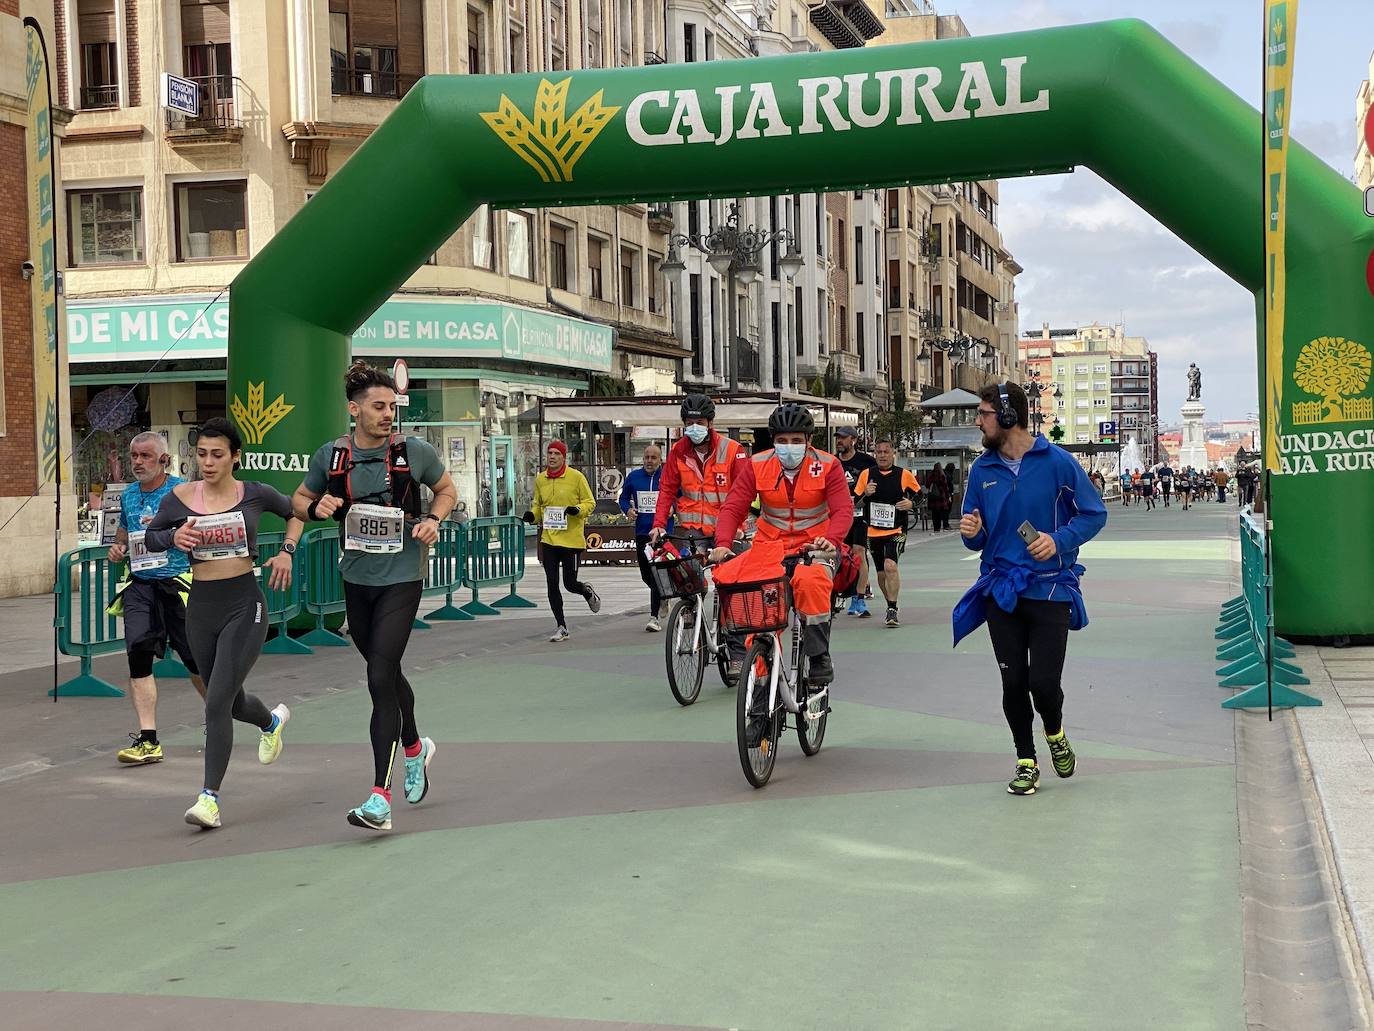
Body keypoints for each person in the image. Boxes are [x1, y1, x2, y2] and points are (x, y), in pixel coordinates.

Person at [293, 360, 458, 833]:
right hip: (356, 580)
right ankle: (414, 749)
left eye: (392, 406)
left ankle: (378, 799)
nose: (388, 414)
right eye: (379, 406)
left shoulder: (413, 450)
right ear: (354, 409)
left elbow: (445, 490)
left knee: (379, 674)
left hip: (403, 577)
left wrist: (434, 519)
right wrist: (316, 505)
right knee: (384, 672)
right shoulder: (332, 457)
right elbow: (299, 501)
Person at [143, 418, 303, 829]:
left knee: (215, 701)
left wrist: (286, 551)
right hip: (201, 607)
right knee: (229, 701)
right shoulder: (178, 497)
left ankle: (208, 799)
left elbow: (297, 513)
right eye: (201, 454)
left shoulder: (255, 494)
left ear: (235, 457)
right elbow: (153, 538)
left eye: (217, 455)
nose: (208, 463)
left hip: (244, 604)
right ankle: (271, 722)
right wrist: (174, 538)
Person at [952, 383, 1108, 797]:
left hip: (1050, 589)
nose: (978, 422)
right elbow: (976, 538)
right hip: (1000, 590)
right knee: (1012, 683)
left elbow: (1094, 514)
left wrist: (1059, 540)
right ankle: (1026, 760)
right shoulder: (982, 470)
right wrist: (972, 533)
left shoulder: (1058, 462)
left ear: (1007, 416)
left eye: (983, 414)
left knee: (1043, 683)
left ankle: (1055, 732)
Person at [711, 403, 853, 708]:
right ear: (773, 440)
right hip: (769, 548)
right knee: (758, 613)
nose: (789, 447)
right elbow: (734, 507)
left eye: (796, 440)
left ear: (809, 441)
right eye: (783, 441)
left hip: (814, 546)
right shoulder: (756, 464)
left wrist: (831, 540)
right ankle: (760, 697)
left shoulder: (828, 465)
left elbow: (843, 510)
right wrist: (723, 542)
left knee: (812, 581)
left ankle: (818, 656)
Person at [106, 432, 206, 765]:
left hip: (176, 584)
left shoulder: (180, 491)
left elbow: (201, 530)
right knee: (137, 653)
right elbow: (125, 528)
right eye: (134, 456)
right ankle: (148, 740)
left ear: (163, 459)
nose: (137, 462)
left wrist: (175, 537)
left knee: (193, 659)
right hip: (140, 585)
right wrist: (119, 547)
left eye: (145, 456)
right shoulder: (129, 495)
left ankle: (218, 714)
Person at [650, 394, 749, 668]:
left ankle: (738, 653)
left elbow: (744, 493)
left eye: (700, 422)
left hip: (727, 532)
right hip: (690, 531)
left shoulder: (732, 450)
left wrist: (738, 528)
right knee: (685, 575)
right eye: (689, 422)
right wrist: (659, 525)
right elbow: (667, 489)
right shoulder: (677, 451)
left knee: (732, 589)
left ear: (710, 423)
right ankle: (690, 609)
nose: (695, 427)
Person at [525, 440, 599, 643]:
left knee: (569, 583)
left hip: (572, 540)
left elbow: (590, 502)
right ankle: (561, 626)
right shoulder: (541, 479)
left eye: (556, 453)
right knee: (551, 583)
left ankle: (585, 590)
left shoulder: (576, 477)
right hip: (549, 539)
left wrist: (578, 510)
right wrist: (532, 516)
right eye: (549, 453)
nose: (552, 456)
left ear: (563, 457)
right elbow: (538, 506)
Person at [853, 440, 922, 627]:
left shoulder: (904, 475)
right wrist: (865, 494)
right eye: (879, 452)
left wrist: (912, 504)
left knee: (890, 565)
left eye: (886, 451)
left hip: (896, 530)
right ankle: (890, 604)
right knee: (882, 573)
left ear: (893, 454)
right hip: (873, 531)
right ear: (875, 454)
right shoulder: (866, 475)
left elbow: (921, 496)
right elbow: (854, 503)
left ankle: (892, 608)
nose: (882, 455)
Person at [619, 444, 669, 631]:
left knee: (656, 573)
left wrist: (673, 507)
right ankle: (663, 595)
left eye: (653, 458)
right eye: (647, 457)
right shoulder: (634, 477)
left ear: (660, 460)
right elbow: (623, 498)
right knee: (645, 574)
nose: (649, 461)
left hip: (662, 532)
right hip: (642, 531)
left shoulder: (666, 477)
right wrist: (628, 510)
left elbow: (680, 497)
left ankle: (654, 617)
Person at [834, 425, 877, 617]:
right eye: (838, 438)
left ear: (853, 439)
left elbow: (879, 482)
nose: (839, 441)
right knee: (839, 556)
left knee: (859, 553)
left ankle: (859, 599)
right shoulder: (833, 462)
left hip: (860, 515)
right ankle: (838, 595)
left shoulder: (866, 461)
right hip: (838, 517)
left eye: (843, 438)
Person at [926, 463, 953, 533]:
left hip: (933, 498)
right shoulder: (942, 475)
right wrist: (948, 496)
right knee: (943, 512)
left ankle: (936, 528)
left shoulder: (931, 475)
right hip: (941, 496)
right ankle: (944, 525)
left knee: (934, 513)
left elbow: (927, 485)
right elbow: (945, 487)